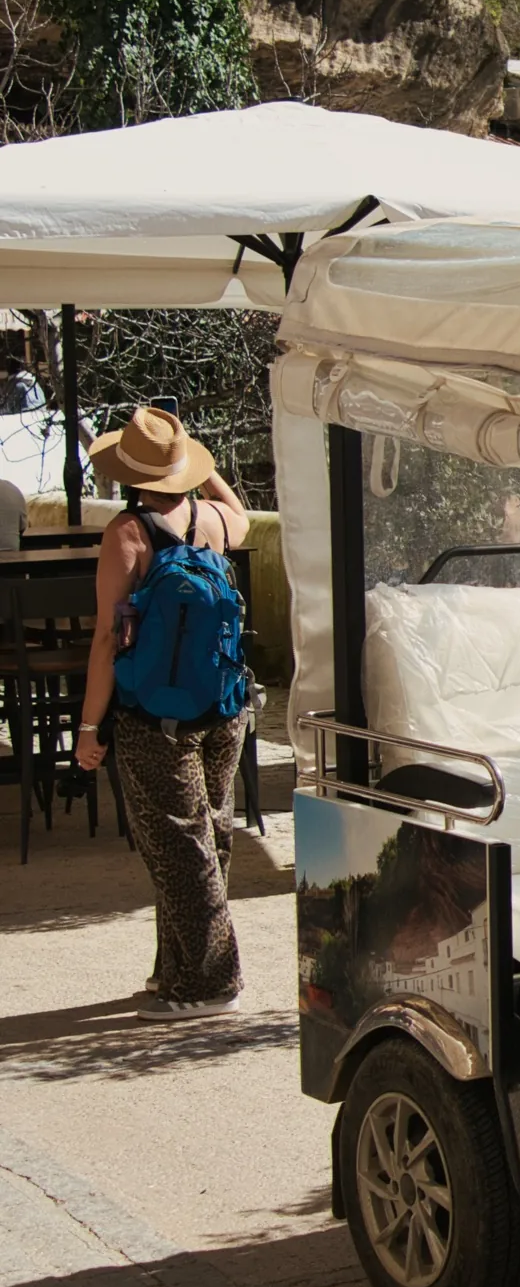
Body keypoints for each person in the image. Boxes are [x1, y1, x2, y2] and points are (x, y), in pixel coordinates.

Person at [74, 406, 252, 1014]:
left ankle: (209, 982)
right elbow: (245, 516)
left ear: (130, 474)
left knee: (178, 845)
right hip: (222, 707)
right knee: (209, 837)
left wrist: (90, 725)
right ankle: (176, 966)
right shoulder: (215, 520)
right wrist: (200, 473)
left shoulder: (128, 533)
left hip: (154, 715)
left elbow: (106, 637)